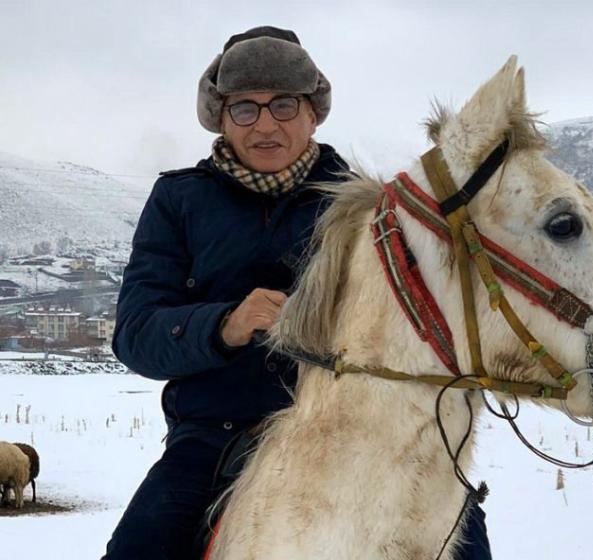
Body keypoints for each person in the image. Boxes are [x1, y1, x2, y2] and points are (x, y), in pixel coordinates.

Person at [104, 26, 492, 560]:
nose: (265, 124)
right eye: (245, 108)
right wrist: (224, 326)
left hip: (358, 431)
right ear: (220, 116)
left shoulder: (364, 202)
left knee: (465, 543)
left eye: (284, 105)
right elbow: (136, 335)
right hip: (214, 437)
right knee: (139, 548)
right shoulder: (178, 201)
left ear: (313, 113)